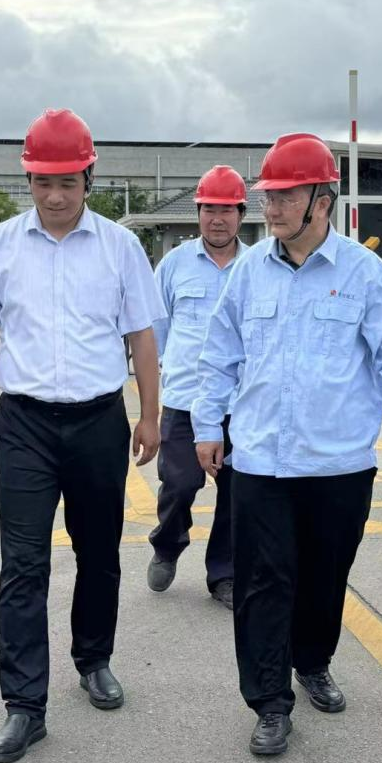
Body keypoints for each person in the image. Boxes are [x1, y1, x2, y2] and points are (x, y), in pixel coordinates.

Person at [191, 133, 382, 756]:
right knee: (262, 583)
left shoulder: (364, 275)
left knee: (326, 575)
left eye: (285, 197)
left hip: (338, 462)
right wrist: (207, 426)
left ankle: (313, 661)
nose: (270, 208)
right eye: (267, 196)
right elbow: (218, 355)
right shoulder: (249, 272)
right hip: (260, 460)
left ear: (322, 201)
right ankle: (269, 701)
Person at [0, 108, 166, 763]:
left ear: (88, 179)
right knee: (23, 563)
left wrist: (150, 414)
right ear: (28, 181)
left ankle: (93, 659)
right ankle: (24, 706)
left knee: (98, 551)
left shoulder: (120, 248)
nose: (54, 196)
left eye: (67, 183)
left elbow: (141, 337)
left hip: (98, 420)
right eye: (43, 183)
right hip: (23, 424)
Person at [147, 165, 247, 609]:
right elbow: (157, 326)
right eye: (209, 210)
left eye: (226, 210)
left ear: (241, 214)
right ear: (198, 213)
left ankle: (224, 574)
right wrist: (168, 367)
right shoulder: (174, 264)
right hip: (185, 400)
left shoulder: (257, 265)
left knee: (237, 495)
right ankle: (167, 545)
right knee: (179, 483)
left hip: (240, 403)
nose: (217, 219)